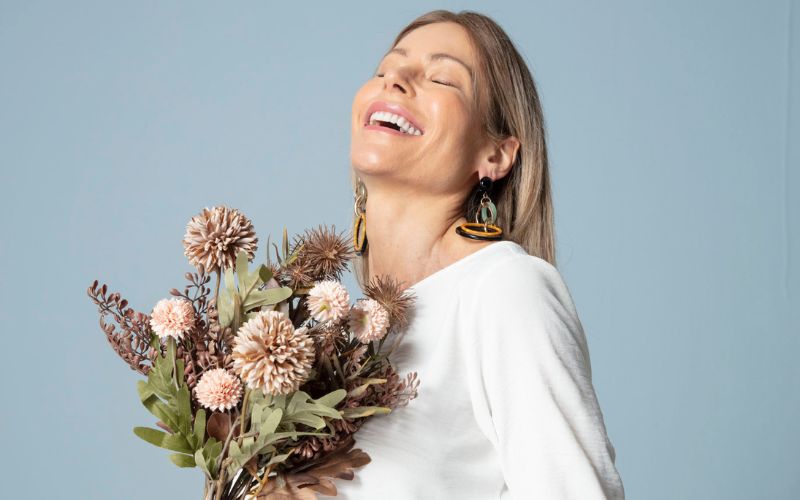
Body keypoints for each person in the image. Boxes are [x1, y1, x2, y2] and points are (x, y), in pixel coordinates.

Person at [339, 9, 625, 499]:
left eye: (441, 78)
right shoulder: (338, 334)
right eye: (385, 70)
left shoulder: (505, 289)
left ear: (495, 154)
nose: (396, 82)